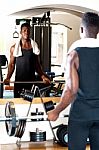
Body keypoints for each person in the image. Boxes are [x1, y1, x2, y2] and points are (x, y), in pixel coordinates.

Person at [48, 12, 99, 150]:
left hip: (80, 115)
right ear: (97, 30)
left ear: (81, 29)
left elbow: (71, 90)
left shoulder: (74, 55)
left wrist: (56, 111)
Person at [4, 22, 50, 98]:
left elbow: (37, 65)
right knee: (18, 105)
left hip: (31, 82)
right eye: (24, 30)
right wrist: (8, 78)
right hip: (19, 82)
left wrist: (43, 77)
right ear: (21, 32)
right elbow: (12, 64)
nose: (26, 32)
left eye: (28, 30)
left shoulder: (34, 47)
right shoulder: (14, 48)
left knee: (30, 105)